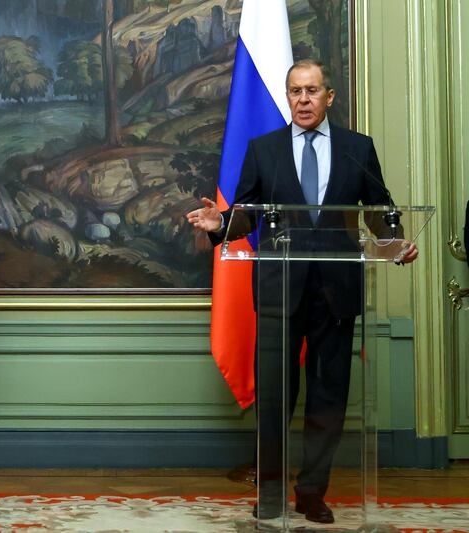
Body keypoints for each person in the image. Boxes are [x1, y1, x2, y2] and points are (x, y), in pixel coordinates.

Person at [186, 60, 418, 523]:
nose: (304, 99)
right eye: (295, 91)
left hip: (336, 290)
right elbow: (248, 213)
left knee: (329, 398)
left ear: (329, 97)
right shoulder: (264, 148)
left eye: (312, 91)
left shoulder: (357, 148)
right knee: (275, 400)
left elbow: (378, 208)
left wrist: (392, 242)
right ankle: (271, 493)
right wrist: (221, 225)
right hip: (278, 289)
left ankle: (312, 493)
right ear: (288, 96)